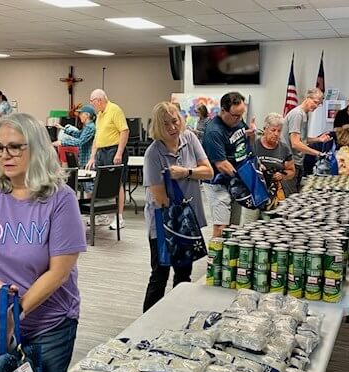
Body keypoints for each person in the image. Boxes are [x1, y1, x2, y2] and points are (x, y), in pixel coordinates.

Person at [0, 113, 87, 372]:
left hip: (49, 326)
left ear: (37, 149)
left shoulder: (60, 199)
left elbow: (59, 272)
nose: (6, 155)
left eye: (15, 146)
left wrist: (13, 317)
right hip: (0, 321)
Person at [142, 101, 213, 312]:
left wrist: (186, 172)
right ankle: (147, 322)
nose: (172, 127)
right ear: (157, 126)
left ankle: (178, 315)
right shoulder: (153, 154)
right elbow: (160, 198)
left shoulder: (189, 138)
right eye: (166, 124)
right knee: (160, 275)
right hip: (163, 225)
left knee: (184, 275)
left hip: (189, 221)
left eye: (175, 121)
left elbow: (208, 171)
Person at [201, 91, 256, 238]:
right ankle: (214, 259)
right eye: (235, 115)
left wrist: (251, 136)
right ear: (223, 110)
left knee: (233, 227)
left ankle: (228, 259)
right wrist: (247, 179)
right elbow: (222, 164)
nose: (239, 119)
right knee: (221, 226)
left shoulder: (237, 121)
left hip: (236, 180)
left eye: (241, 115)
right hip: (218, 183)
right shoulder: (213, 131)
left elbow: (243, 143)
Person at [86, 89, 129, 230]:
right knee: (100, 183)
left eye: (92, 102)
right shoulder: (99, 115)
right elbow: (97, 138)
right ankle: (101, 215)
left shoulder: (114, 109)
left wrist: (119, 153)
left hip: (114, 150)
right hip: (102, 152)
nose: (92, 105)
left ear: (99, 100)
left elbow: (124, 131)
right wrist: (92, 156)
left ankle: (119, 218)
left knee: (117, 184)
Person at [281, 88, 331, 193]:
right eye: (315, 102)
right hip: (290, 163)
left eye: (319, 104)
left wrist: (318, 139)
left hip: (298, 162)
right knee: (289, 198)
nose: (316, 106)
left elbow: (301, 139)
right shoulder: (297, 114)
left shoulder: (304, 114)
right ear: (307, 98)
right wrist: (317, 153)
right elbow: (295, 143)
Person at [254, 113, 296, 197]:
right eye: (273, 130)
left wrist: (282, 175)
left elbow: (291, 171)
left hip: (275, 191)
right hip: (256, 189)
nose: (276, 134)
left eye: (279, 131)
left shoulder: (284, 149)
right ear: (265, 129)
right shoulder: (254, 145)